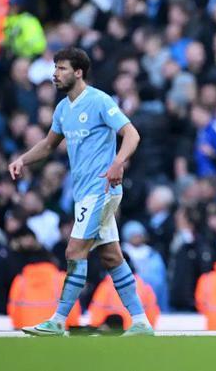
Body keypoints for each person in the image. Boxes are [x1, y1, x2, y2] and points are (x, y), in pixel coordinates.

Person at [8, 47, 153, 336]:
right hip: (83, 193)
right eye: (55, 68)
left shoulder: (99, 101)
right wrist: (23, 159)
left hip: (101, 189)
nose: (55, 74)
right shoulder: (63, 109)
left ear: (78, 72)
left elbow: (132, 134)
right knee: (112, 256)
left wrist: (117, 162)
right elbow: (49, 145)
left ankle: (59, 320)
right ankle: (140, 322)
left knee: (74, 250)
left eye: (61, 68)